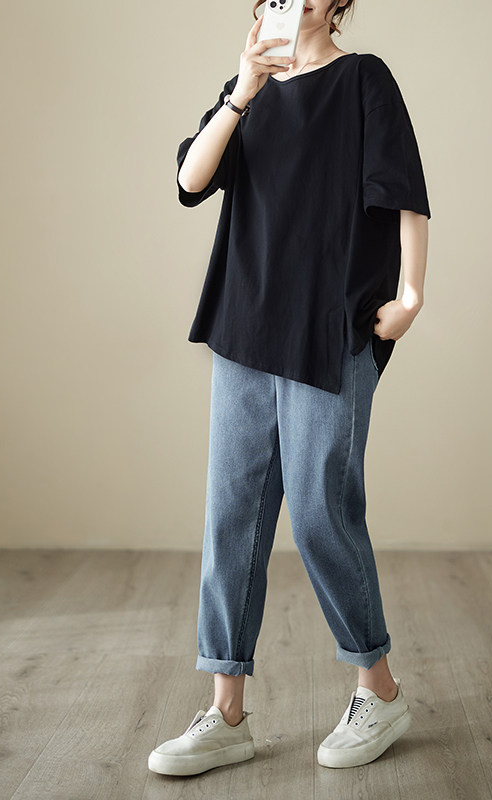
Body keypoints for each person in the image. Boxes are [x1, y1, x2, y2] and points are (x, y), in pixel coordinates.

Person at [148, 0, 430, 777]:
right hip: (244, 325)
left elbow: (404, 190)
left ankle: (378, 690)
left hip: (329, 326)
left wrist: (410, 296)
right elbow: (190, 179)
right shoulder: (252, 87)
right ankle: (225, 712)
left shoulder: (364, 79)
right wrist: (242, 89)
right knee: (231, 518)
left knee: (319, 511)